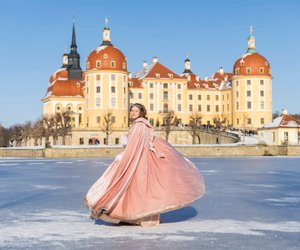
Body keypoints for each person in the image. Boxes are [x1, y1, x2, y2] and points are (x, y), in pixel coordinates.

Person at [84, 103, 205, 227]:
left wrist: (125, 156)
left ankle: (133, 215)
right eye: (132, 111)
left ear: (141, 112)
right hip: (140, 159)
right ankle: (137, 216)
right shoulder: (140, 125)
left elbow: (136, 146)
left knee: (133, 187)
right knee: (140, 189)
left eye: (136, 111)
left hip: (137, 160)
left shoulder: (139, 126)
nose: (133, 113)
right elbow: (137, 144)